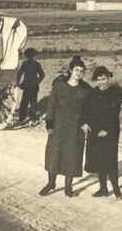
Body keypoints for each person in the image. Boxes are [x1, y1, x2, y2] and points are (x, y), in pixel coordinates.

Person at [39, 56, 91, 197]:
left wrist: (85, 122)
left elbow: (88, 109)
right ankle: (51, 184)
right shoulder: (59, 85)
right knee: (54, 154)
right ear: (71, 70)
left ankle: (68, 188)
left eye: (81, 71)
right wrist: (49, 122)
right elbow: (51, 105)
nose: (79, 73)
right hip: (58, 125)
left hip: (75, 128)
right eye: (76, 70)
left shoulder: (86, 90)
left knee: (72, 156)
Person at [80, 66, 122, 199]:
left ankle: (116, 190)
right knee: (99, 159)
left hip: (110, 131)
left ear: (108, 78)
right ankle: (103, 188)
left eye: (103, 79)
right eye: (98, 80)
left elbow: (114, 113)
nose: (101, 82)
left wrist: (107, 130)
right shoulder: (92, 93)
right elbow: (84, 110)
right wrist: (84, 123)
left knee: (110, 160)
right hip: (94, 131)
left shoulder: (115, 93)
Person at [16, 48, 45, 125]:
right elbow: (42, 75)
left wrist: (18, 83)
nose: (30, 56)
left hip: (29, 86)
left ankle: (24, 119)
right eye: (29, 55)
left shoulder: (28, 64)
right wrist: (36, 82)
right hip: (30, 86)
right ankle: (30, 119)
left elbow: (19, 74)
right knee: (30, 102)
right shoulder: (34, 64)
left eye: (30, 55)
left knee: (27, 102)